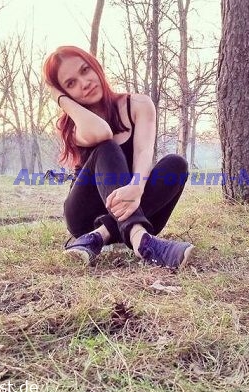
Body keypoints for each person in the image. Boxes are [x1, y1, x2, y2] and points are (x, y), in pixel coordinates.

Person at [43, 45, 194, 269]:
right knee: (107, 147)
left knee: (176, 164)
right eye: (71, 84)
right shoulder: (75, 125)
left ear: (96, 66)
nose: (84, 83)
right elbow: (103, 133)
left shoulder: (139, 104)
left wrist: (137, 187)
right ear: (65, 94)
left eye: (85, 70)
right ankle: (139, 237)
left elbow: (143, 152)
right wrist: (60, 99)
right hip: (85, 216)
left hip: (137, 205)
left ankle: (102, 235)